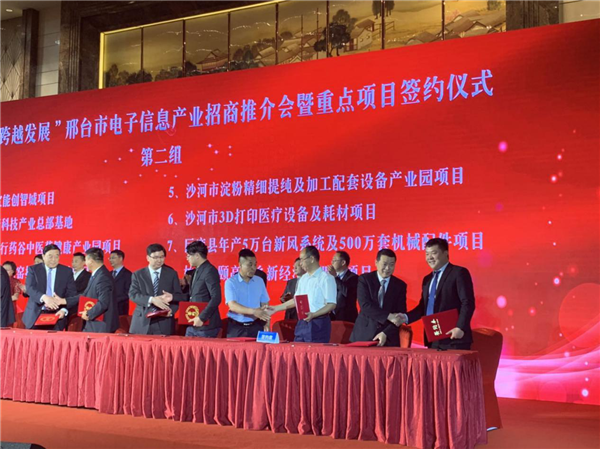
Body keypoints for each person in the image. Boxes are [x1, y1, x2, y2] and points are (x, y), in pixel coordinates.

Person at [402, 238, 476, 350]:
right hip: (433, 338)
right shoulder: (427, 279)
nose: (430, 257)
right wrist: (405, 317)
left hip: (454, 337)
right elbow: (423, 307)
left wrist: (460, 327)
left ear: (445, 253)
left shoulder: (458, 273)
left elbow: (467, 302)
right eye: (427, 254)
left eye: (434, 253)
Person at [270, 246, 336, 343]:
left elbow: (331, 304)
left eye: (302, 259)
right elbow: (295, 300)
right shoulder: (303, 279)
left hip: (318, 323)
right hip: (302, 323)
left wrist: (314, 314)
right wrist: (275, 308)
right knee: (298, 350)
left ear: (312, 259)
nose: (300, 263)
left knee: (314, 352)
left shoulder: (326, 278)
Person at [349, 249, 407, 347]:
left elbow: (400, 315)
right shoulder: (365, 279)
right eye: (384, 264)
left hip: (388, 338)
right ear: (376, 262)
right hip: (364, 334)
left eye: (391, 264)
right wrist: (388, 316)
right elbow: (365, 305)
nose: (387, 268)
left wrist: (386, 333)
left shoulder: (400, 285)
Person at [129, 243, 184, 335]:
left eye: (162, 257)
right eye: (155, 257)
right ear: (148, 258)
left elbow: (178, 296)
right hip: (142, 321)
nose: (159, 260)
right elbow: (133, 295)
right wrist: (152, 300)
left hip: (164, 321)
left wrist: (171, 311)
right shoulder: (138, 274)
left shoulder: (172, 274)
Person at [59, 248, 118, 333]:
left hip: (101, 324)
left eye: (86, 260)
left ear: (91, 261)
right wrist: (64, 301)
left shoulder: (103, 277)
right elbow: (85, 295)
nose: (85, 263)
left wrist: (88, 313)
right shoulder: (96, 274)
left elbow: (104, 302)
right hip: (94, 323)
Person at [23, 244, 77, 330]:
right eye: (50, 256)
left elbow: (71, 293)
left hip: (57, 315)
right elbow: (30, 288)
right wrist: (44, 297)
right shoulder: (34, 270)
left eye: (56, 256)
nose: (53, 260)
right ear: (43, 256)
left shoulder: (66, 271)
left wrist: (64, 310)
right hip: (35, 315)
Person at [225, 249, 271, 338]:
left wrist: (267, 324)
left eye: (255, 264)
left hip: (256, 326)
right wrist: (254, 312)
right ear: (240, 265)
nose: (253, 268)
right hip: (236, 328)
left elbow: (265, 304)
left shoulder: (259, 281)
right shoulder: (231, 282)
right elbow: (233, 306)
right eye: (250, 265)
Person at [184, 240, 222, 338]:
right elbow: (193, 295)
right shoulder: (196, 271)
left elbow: (216, 297)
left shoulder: (210, 270)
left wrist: (202, 317)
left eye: (188, 256)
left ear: (197, 255)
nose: (187, 258)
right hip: (193, 323)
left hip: (206, 325)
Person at [328, 251, 359, 322]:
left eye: (334, 260)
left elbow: (347, 292)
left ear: (343, 262)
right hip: (331, 318)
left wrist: (335, 277)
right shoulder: (330, 277)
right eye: (332, 260)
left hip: (346, 318)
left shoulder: (354, 277)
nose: (332, 262)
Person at [109, 249, 132, 315]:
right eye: (110, 258)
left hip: (121, 309)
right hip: (108, 308)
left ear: (120, 258)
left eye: (113, 258)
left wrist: (114, 300)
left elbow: (128, 293)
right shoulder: (108, 274)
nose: (110, 260)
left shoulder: (128, 274)